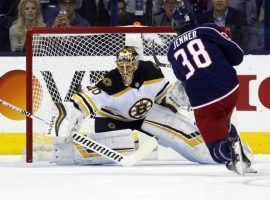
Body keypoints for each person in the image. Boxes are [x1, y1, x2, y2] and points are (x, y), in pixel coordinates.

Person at [53, 46, 216, 165]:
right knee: (121, 145)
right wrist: (74, 112)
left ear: (136, 63)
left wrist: (177, 98)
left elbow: (163, 97)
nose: (125, 70)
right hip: (114, 119)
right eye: (121, 66)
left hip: (146, 114)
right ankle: (66, 153)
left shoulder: (151, 71)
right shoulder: (111, 82)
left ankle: (214, 152)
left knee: (181, 128)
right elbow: (89, 98)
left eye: (129, 65)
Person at [167, 5, 256, 175]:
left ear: (175, 25)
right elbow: (238, 56)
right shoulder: (209, 29)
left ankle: (231, 150)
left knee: (216, 151)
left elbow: (181, 77)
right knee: (224, 123)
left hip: (204, 101)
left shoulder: (172, 50)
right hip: (230, 89)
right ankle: (242, 159)